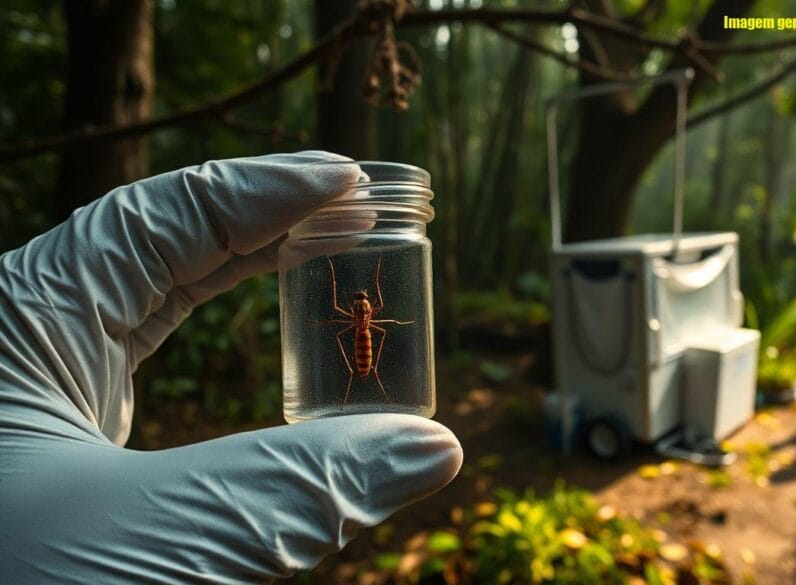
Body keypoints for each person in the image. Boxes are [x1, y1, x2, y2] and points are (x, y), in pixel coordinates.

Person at [0, 152, 463, 582]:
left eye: (365, 302)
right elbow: (356, 311)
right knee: (357, 338)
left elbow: (367, 311)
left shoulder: (364, 318)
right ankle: (365, 384)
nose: (364, 306)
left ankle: (370, 379)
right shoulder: (357, 316)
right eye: (362, 302)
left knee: (365, 339)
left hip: (361, 341)